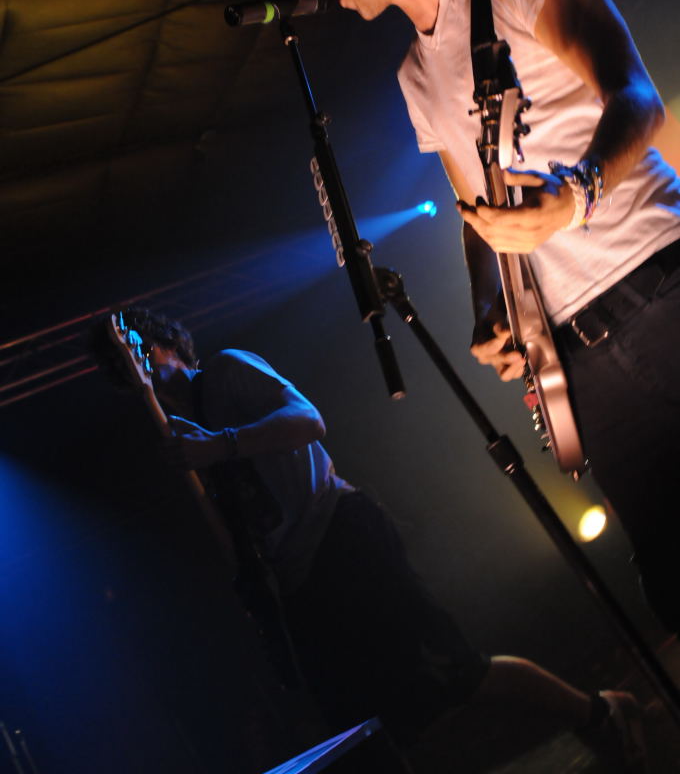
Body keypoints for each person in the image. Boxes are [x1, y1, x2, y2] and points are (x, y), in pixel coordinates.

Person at [286, 0, 680, 638]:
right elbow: (478, 222)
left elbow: (637, 96)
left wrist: (576, 196)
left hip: (659, 288)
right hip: (579, 357)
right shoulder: (414, 75)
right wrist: (489, 310)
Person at [96, 307, 648, 770]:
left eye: (141, 349)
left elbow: (309, 420)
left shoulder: (226, 372)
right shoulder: (181, 440)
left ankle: (599, 711)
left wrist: (221, 444)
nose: (139, 364)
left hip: (342, 537)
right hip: (303, 585)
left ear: (168, 344)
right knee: (364, 727)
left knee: (458, 672)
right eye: (125, 365)